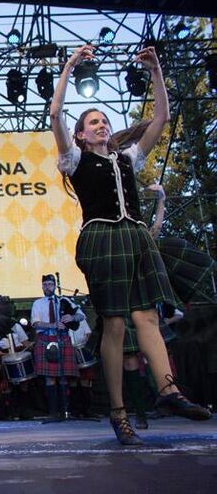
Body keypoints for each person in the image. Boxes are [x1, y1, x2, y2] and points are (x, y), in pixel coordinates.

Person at [51, 44, 210, 445]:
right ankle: (118, 414)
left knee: (147, 318)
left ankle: (169, 391)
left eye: (104, 119)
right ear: (81, 134)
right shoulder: (74, 160)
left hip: (135, 237)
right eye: (93, 121)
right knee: (117, 325)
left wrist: (156, 69)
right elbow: (55, 114)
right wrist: (70, 65)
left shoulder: (128, 158)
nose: (102, 124)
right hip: (102, 239)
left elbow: (162, 117)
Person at [30, 274, 84, 421]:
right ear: (42, 287)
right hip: (45, 339)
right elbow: (35, 324)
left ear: (55, 286)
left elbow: (81, 315)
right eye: (45, 285)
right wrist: (52, 325)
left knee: (63, 377)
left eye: (50, 284)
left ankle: (66, 411)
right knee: (49, 378)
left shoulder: (63, 300)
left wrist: (72, 318)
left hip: (63, 338)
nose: (48, 287)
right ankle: (53, 413)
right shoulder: (38, 303)